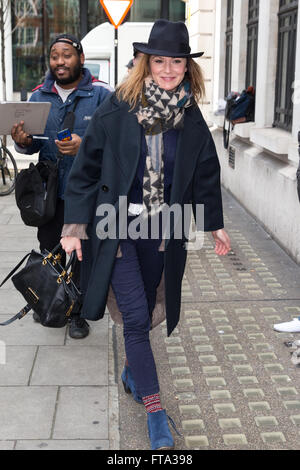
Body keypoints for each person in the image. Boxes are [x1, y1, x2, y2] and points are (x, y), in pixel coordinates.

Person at [60, 20, 231, 449]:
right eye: (160, 61)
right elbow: (85, 173)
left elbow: (206, 174)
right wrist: (73, 230)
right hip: (116, 227)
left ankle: (134, 371)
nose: (169, 69)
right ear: (145, 63)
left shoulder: (190, 119)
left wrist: (215, 225)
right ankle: (155, 411)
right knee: (135, 318)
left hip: (163, 230)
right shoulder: (118, 108)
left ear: (187, 68)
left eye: (177, 61)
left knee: (152, 307)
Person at [11, 33, 112, 339]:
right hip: (50, 193)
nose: (60, 61)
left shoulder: (102, 95)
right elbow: (30, 147)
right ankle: (49, 304)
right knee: (50, 251)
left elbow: (117, 143)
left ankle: (77, 313)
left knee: (81, 256)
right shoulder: (38, 97)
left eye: (66, 55)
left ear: (80, 58)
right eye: (55, 56)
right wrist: (22, 142)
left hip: (87, 193)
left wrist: (85, 145)